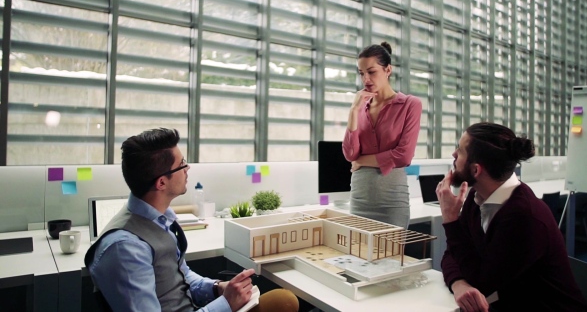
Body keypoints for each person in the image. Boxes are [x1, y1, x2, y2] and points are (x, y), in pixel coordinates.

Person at [84, 128, 299, 312]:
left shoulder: (160, 219)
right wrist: (224, 305)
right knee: (284, 302)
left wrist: (216, 288)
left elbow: (181, 276)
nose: (188, 168)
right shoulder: (126, 249)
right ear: (161, 183)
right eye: (182, 164)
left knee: (284, 300)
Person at [436, 122, 587, 312]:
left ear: (476, 170)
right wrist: (459, 283)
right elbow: (452, 253)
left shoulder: (523, 217)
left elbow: (482, 282)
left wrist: (451, 220)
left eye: (459, 151)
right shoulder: (476, 200)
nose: (453, 155)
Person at [342, 41, 422, 229]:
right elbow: (349, 154)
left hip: (392, 200)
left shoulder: (410, 104)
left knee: (392, 256)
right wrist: (354, 110)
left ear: (388, 70)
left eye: (371, 72)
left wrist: (362, 161)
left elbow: (403, 156)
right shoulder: (360, 108)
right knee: (357, 256)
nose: (366, 79)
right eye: (361, 73)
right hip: (360, 197)